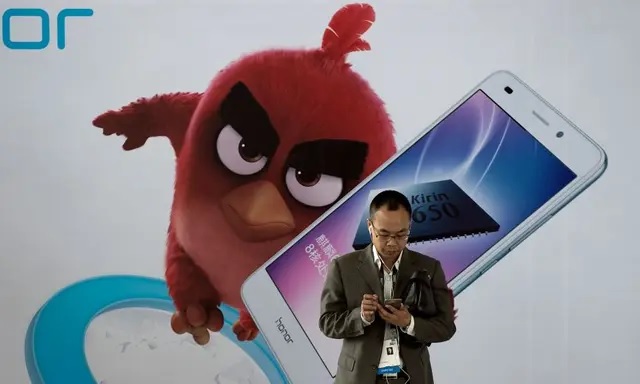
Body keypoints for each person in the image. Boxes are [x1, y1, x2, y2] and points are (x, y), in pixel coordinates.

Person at [319, 189, 456, 384]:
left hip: (412, 377)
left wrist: (409, 322)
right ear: (369, 227)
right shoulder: (343, 267)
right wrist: (361, 317)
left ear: (410, 227)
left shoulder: (430, 268)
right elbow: (327, 322)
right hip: (358, 378)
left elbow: (446, 327)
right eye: (383, 234)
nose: (392, 243)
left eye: (401, 235)